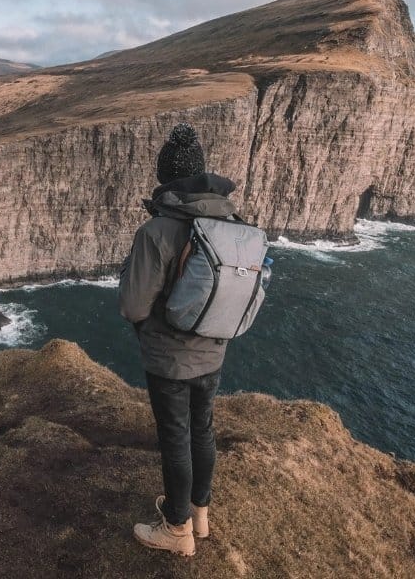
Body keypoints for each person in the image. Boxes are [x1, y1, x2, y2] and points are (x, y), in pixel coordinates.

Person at [119, 122, 239, 557]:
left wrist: (144, 328)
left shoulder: (156, 232)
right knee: (202, 431)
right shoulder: (227, 224)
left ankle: (176, 529)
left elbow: (133, 306)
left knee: (175, 438)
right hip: (215, 350)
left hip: (169, 360)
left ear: (165, 177)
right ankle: (200, 517)